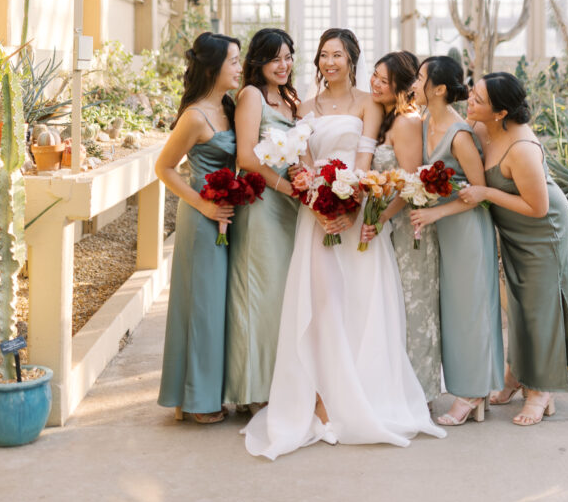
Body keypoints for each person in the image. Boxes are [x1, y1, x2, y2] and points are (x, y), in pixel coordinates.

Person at [243, 28, 445, 459]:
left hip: (354, 215)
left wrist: (351, 204)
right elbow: (303, 159)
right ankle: (319, 399)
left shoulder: (368, 103)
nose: (328, 62)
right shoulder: (305, 106)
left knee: (358, 303)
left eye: (336, 55)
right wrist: (315, 199)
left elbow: (365, 160)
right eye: (322, 55)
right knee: (322, 306)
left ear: (351, 58)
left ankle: (359, 393)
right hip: (314, 216)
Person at [460, 71, 568, 426]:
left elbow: (539, 207)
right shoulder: (483, 129)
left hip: (543, 230)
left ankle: (541, 390)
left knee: (541, 307)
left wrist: (486, 193)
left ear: (500, 112)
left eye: (478, 99)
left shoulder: (522, 149)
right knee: (519, 302)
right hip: (514, 229)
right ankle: (515, 375)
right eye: (472, 93)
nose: (470, 101)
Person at [409, 57, 504, 425]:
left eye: (419, 77)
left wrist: (435, 213)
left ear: (439, 88)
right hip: (444, 228)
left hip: (466, 227)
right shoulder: (426, 122)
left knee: (469, 311)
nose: (414, 83)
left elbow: (478, 192)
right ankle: (472, 387)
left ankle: (470, 393)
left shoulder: (460, 135)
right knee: (454, 310)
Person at [156, 32, 241, 423]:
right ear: (213, 67)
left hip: (226, 215)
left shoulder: (229, 105)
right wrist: (204, 205)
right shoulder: (195, 116)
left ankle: (194, 392)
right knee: (202, 308)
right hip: (201, 218)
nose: (240, 67)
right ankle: (197, 400)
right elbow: (164, 168)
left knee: (218, 307)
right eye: (234, 61)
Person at [224, 28, 301, 409]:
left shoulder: (290, 99)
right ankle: (253, 390)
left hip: (292, 209)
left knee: (285, 297)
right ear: (259, 61)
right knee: (260, 296)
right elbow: (247, 158)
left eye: (288, 57)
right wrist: (288, 188)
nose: (283, 65)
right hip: (263, 205)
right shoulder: (251, 96)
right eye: (275, 58)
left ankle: (280, 383)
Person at [366, 51, 442, 404]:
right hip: (386, 226)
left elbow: (412, 184)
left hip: (409, 227)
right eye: (374, 76)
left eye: (383, 79)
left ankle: (419, 392)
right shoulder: (384, 118)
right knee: (389, 309)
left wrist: (380, 217)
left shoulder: (408, 122)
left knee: (414, 307)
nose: (375, 83)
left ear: (401, 85)